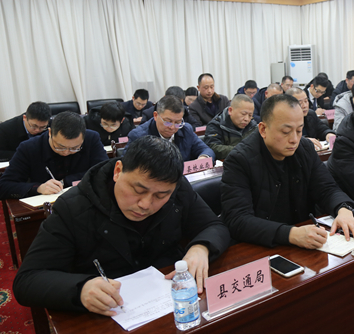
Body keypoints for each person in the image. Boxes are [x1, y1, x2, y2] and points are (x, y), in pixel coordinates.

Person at [13, 136, 231, 314]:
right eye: (138, 190)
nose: (145, 204)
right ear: (118, 171)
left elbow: (215, 226)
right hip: (109, 310)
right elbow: (27, 281)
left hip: (172, 302)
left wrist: (201, 247)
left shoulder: (177, 189)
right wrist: (80, 289)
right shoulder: (73, 207)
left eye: (160, 196)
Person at [221, 94, 354, 248]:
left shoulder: (304, 148)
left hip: (305, 238)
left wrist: (344, 209)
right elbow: (238, 220)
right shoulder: (240, 160)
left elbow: (327, 188)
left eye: (299, 130)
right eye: (286, 132)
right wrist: (291, 234)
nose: (294, 139)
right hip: (264, 245)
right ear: (263, 129)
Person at [0, 111, 108, 199]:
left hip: (84, 200)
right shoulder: (29, 148)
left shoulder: (91, 138)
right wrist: (38, 188)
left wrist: (66, 182)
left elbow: (104, 170)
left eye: (75, 148)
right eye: (60, 147)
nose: (66, 152)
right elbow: (4, 186)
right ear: (50, 133)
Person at [126, 95, 214, 161]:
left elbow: (206, 150)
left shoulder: (185, 129)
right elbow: (128, 166)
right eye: (168, 122)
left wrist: (202, 159)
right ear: (156, 115)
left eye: (177, 122)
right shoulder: (138, 136)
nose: (172, 127)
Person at [204, 94, 258, 160]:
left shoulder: (253, 126)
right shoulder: (215, 125)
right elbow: (212, 148)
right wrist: (241, 150)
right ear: (230, 110)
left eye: (250, 115)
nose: (247, 119)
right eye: (243, 114)